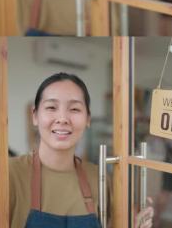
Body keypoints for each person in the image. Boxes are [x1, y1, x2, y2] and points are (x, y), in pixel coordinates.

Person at [9, 72, 154, 228]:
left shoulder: (100, 179)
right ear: (35, 115)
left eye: (74, 109)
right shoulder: (10, 173)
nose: (63, 118)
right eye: (51, 107)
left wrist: (136, 222)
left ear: (88, 119)